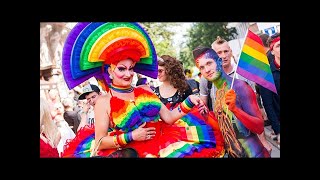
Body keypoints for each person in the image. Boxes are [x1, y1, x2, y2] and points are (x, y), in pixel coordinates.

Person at [193, 46, 270, 158]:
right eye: (202, 67)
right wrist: (207, 117)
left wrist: (235, 109)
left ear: (219, 61)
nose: (206, 70)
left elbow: (259, 127)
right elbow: (225, 130)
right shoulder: (217, 92)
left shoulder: (240, 87)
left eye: (209, 63)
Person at [209, 36, 272, 154]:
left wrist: (263, 141)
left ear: (231, 52)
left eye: (226, 51)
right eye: (219, 52)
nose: (223, 55)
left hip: (250, 140)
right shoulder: (208, 79)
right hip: (230, 145)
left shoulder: (243, 73)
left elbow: (255, 110)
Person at [258, 33, 280, 147]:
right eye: (278, 46)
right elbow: (268, 105)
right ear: (272, 51)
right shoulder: (266, 75)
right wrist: (278, 130)